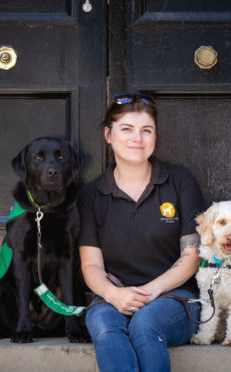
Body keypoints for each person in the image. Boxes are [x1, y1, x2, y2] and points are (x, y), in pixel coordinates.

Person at [78, 93, 206, 372]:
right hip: (113, 298)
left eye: (146, 130)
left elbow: (192, 256)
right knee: (103, 324)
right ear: (108, 135)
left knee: (146, 323)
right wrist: (113, 294)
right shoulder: (91, 195)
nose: (138, 138)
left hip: (176, 297)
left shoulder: (180, 182)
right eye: (127, 129)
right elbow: (90, 265)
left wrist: (150, 292)